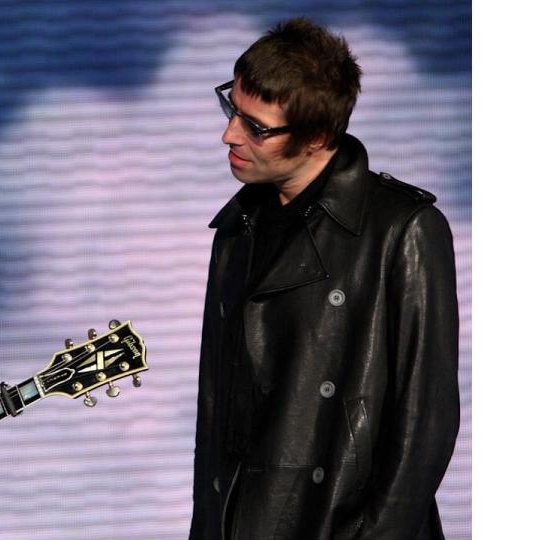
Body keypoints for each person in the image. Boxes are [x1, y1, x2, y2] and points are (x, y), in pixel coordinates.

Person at [190, 18, 459, 539]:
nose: (229, 135)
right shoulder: (236, 230)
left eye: (257, 127)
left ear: (317, 136)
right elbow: (218, 422)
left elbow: (424, 424)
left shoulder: (403, 230)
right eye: (232, 109)